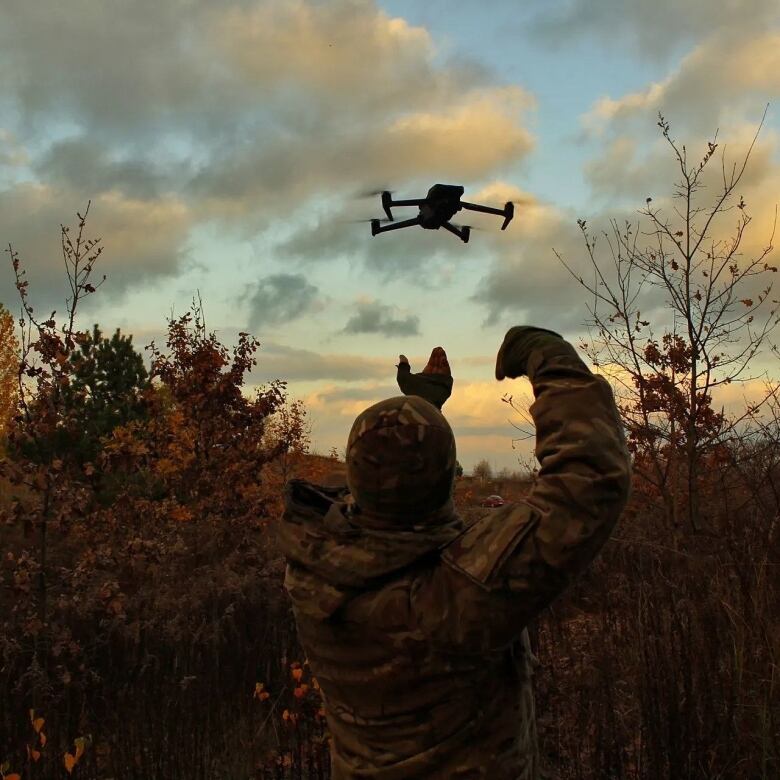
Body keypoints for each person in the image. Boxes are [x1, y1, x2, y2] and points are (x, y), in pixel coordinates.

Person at [276, 327, 632, 779]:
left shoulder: (315, 563)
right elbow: (591, 478)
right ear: (445, 481)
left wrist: (422, 414)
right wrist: (548, 357)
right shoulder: (453, 601)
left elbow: (391, 497)